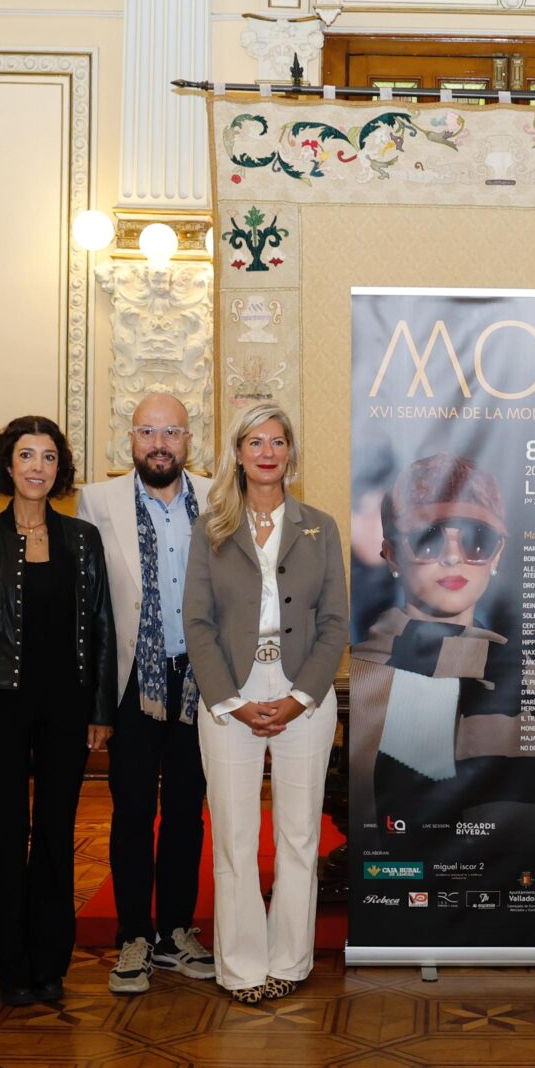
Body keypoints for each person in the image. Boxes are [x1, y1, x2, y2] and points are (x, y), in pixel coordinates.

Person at [346, 452, 535, 844]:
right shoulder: (366, 675)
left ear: (497, 554)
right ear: (393, 553)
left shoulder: (530, 680)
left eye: (477, 540)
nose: (453, 557)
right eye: (428, 538)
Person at [184, 402, 350, 1004]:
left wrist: (302, 696)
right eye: (255, 442)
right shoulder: (211, 529)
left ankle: (289, 960)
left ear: (290, 453)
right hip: (229, 697)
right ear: (238, 453)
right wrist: (228, 699)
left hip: (303, 694)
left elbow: (335, 622)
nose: (267, 452)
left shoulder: (319, 527)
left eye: (277, 442)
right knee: (233, 837)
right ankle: (242, 967)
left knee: (299, 836)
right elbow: (197, 622)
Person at [0, 415, 116, 1007]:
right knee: (6, 833)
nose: (37, 468)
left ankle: (50, 962)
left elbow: (102, 626)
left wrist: (101, 709)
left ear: (59, 469)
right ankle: (11, 967)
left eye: (48, 457)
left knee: (55, 829)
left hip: (68, 707)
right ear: (7, 464)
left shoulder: (83, 539)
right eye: (27, 455)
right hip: (0, 708)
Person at [78, 392, 217, 995]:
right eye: (148, 432)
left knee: (187, 810)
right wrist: (93, 697)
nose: (159, 444)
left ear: (190, 440)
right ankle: (134, 934)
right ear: (130, 439)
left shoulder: (218, 497)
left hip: (199, 679)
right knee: (133, 810)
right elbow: (90, 606)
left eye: (172, 432)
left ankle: (176, 931)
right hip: (133, 679)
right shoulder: (97, 500)